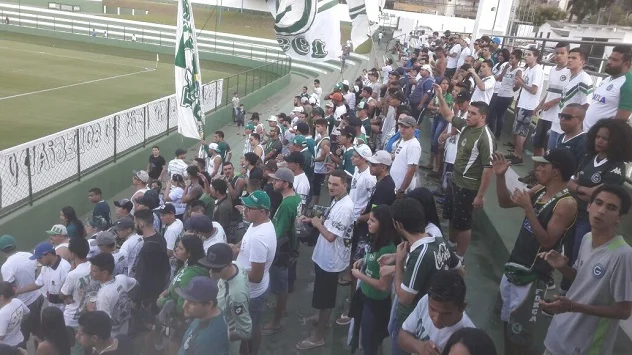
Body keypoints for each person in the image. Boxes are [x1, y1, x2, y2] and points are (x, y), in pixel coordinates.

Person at [491, 148, 578, 354]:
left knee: (520, 335)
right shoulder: (541, 189)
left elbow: (547, 241)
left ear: (556, 171)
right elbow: (504, 203)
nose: (537, 168)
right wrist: (501, 177)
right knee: (506, 321)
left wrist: (529, 209)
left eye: (542, 165)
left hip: (533, 275)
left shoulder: (566, 203)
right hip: (515, 265)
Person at [540, 185, 632, 355]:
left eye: (611, 208)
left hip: (586, 345)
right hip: (560, 333)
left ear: (620, 217)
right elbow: (582, 279)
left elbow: (624, 311)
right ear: (589, 206)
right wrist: (563, 268)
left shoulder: (623, 255)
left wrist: (573, 306)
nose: (601, 211)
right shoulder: (587, 237)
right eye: (598, 203)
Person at [378, 198, 462, 355]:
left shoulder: (421, 255)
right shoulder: (437, 240)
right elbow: (459, 270)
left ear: (399, 225)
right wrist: (396, 256)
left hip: (410, 319)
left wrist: (398, 264)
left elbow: (404, 298)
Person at [564, 119, 632, 290]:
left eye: (605, 138)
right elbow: (570, 184)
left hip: (589, 219)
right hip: (572, 211)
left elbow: (595, 197)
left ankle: (570, 291)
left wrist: (579, 189)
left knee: (579, 254)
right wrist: (582, 189)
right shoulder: (589, 157)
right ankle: (565, 288)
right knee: (567, 249)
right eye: (598, 136)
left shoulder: (616, 168)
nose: (599, 141)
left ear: (616, 142)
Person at [296, 170, 354, 350]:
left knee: (326, 298)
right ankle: (322, 317)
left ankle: (319, 335)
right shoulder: (338, 200)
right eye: (329, 183)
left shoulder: (345, 207)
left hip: (331, 260)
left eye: (335, 184)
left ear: (345, 185)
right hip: (325, 256)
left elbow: (330, 236)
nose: (330, 187)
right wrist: (312, 219)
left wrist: (316, 223)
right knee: (323, 295)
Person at [435, 84, 495, 258]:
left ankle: (459, 257)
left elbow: (488, 169)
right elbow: (447, 115)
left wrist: (480, 195)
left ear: (483, 117)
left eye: (473, 114)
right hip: (455, 180)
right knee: (453, 217)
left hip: (468, 187)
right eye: (468, 112)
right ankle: (452, 245)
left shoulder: (485, 138)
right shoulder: (467, 126)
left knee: (464, 224)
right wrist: (440, 96)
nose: (468, 115)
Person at [350, 205, 398, 355]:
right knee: (363, 337)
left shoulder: (387, 249)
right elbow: (371, 257)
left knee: (370, 342)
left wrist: (359, 275)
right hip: (365, 296)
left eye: (372, 220)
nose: (368, 223)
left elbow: (384, 286)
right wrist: (364, 261)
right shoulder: (375, 239)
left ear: (382, 224)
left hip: (375, 303)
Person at [233, 190, 276, 355]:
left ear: (262, 211)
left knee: (243, 333)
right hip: (255, 289)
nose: (245, 210)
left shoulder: (259, 237)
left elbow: (256, 277)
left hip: (251, 293)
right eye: (245, 206)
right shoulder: (258, 223)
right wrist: (236, 247)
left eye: (249, 208)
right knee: (254, 325)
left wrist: (233, 272)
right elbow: (246, 240)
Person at [261, 168, 301, 335]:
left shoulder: (286, 205)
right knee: (281, 284)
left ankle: (277, 321)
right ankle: (280, 307)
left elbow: (278, 233)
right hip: (290, 247)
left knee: (281, 285)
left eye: (277, 180)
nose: (273, 182)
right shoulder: (295, 198)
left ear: (286, 183)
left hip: (281, 250)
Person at [398, 271, 474, 354]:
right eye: (432, 309)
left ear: (462, 308)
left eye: (446, 314)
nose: (436, 319)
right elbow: (402, 336)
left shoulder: (469, 339)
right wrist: (419, 346)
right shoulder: (426, 300)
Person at [157, 235, 207, 353]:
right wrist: (166, 292)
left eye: (180, 248)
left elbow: (181, 307)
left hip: (178, 324)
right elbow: (175, 283)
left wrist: (161, 301)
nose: (176, 250)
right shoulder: (187, 265)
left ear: (189, 253)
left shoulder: (191, 274)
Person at [202, 243, 252, 355]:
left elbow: (245, 331)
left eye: (216, 269)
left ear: (228, 264)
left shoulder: (236, 295)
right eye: (209, 267)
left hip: (226, 341)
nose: (211, 272)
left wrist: (219, 334)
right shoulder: (235, 265)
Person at [0, 235, 43, 346]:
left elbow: (8, 290)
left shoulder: (6, 266)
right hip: (38, 296)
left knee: (21, 338)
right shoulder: (28, 255)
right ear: (15, 245)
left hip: (25, 304)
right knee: (37, 330)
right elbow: (35, 272)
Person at [60, 237, 99, 354]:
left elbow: (61, 294)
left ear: (73, 254)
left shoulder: (72, 274)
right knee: (90, 346)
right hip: (91, 312)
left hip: (73, 319)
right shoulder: (94, 266)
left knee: (76, 349)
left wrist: (71, 270)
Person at [507, 47, 544, 165]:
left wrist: (521, 83)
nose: (526, 56)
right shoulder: (528, 69)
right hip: (523, 103)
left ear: (535, 57)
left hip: (528, 105)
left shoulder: (537, 71)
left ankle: (518, 155)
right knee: (517, 130)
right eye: (526, 54)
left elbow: (534, 90)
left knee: (521, 131)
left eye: (529, 54)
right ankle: (515, 153)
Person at [583, 45, 632, 132]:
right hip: (585, 132)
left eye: (614, 60)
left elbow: (620, 120)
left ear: (627, 64)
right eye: (610, 58)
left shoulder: (628, 84)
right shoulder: (607, 79)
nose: (609, 62)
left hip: (599, 138)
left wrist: (603, 136)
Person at [176, 277, 229, 355]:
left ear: (209, 304)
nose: (184, 306)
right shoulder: (202, 315)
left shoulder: (209, 340)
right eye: (185, 299)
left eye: (192, 303)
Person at [89, 253, 137, 336]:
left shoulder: (103, 296)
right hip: (125, 328)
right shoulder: (122, 278)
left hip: (112, 336)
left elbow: (102, 323)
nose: (90, 273)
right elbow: (135, 283)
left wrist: (91, 311)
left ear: (104, 273)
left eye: (94, 271)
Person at [15, 242, 71, 311]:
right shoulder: (45, 267)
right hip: (53, 308)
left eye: (39, 258)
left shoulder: (64, 268)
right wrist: (18, 291)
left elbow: (70, 292)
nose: (38, 260)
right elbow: (37, 284)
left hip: (65, 310)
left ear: (48, 254)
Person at [488, 49, 522, 140]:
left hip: (507, 95)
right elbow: (499, 78)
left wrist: (512, 90)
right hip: (500, 93)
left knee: (499, 115)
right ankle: (494, 133)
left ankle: (496, 134)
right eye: (510, 58)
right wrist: (506, 68)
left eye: (512, 58)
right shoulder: (508, 68)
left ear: (517, 59)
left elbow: (518, 84)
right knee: (494, 114)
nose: (510, 60)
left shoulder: (518, 70)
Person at [422, 77, 453, 174]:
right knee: (433, 140)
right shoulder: (437, 95)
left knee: (437, 141)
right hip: (436, 118)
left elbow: (444, 109)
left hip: (443, 120)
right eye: (443, 83)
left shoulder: (448, 96)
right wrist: (437, 108)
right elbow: (429, 106)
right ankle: (431, 164)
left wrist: (436, 108)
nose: (445, 85)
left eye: (447, 84)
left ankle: (437, 167)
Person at [391, 116, 421, 197]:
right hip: (394, 185)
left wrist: (402, 190)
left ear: (414, 128)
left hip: (402, 190)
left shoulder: (414, 145)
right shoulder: (403, 140)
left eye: (406, 127)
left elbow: (411, 170)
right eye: (401, 126)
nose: (402, 129)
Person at [0, 281, 30, 349]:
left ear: (2, 297)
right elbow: (28, 313)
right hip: (20, 341)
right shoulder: (17, 301)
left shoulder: (3, 314)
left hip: (9, 347)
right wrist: (18, 320)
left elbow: (1, 337)